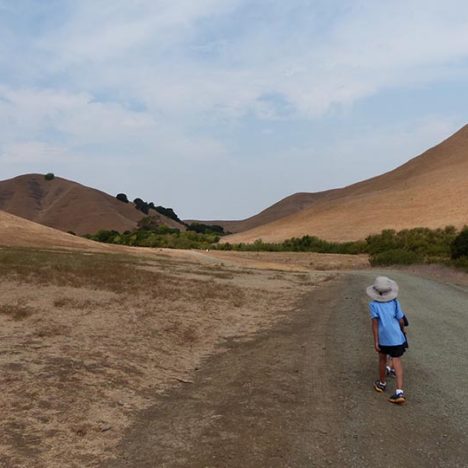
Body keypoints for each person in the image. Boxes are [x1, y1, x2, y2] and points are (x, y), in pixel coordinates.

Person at [366, 276, 408, 404]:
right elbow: (401, 319)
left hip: (383, 338)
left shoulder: (373, 305)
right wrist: (402, 330)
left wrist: (376, 341)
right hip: (396, 337)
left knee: (382, 358)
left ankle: (382, 383)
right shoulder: (395, 302)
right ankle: (399, 391)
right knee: (397, 361)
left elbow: (375, 324)